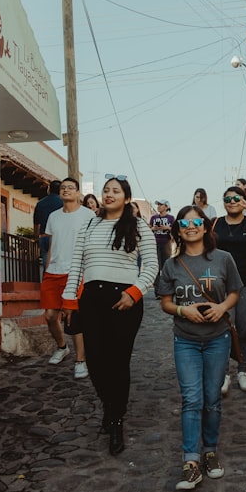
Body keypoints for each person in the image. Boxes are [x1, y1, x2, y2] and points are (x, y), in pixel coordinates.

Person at [61, 174, 158, 455]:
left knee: (117, 362)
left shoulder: (138, 226)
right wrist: (69, 301)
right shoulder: (89, 225)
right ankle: (109, 404)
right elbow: (76, 266)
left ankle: (116, 419)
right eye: (106, 190)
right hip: (91, 299)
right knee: (94, 360)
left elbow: (152, 265)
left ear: (126, 198)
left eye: (116, 191)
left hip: (124, 300)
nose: (109, 194)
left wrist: (134, 293)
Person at [156, 206, 241, 491]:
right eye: (184, 222)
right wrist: (183, 311)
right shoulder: (172, 265)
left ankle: (210, 452)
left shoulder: (223, 259)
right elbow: (165, 302)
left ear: (205, 227)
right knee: (191, 399)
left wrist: (222, 308)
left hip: (218, 338)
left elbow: (234, 292)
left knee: (212, 398)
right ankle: (191, 462)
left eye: (196, 221)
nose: (190, 226)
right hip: (186, 340)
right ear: (178, 229)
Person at [42, 177, 96, 379]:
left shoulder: (88, 215)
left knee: (74, 318)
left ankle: (80, 360)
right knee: (49, 315)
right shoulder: (53, 216)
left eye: (70, 188)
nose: (66, 190)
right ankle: (62, 347)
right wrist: (46, 270)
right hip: (53, 272)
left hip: (76, 272)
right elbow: (51, 246)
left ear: (77, 192)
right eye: (63, 188)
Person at [210, 186, 246, 395]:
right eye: (227, 198)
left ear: (245, 200)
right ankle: (224, 374)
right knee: (223, 328)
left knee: (245, 328)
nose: (231, 201)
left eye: (236, 198)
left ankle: (243, 370)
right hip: (221, 284)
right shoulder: (215, 224)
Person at [34, 180, 63, 271]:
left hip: (44, 237)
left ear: (49, 189)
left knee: (47, 266)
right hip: (59, 238)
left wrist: (36, 238)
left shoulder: (40, 203)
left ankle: (46, 283)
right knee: (60, 267)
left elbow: (36, 223)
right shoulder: (63, 203)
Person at [149, 199, 175, 271]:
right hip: (155, 243)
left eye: (161, 205)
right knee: (156, 264)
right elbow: (148, 229)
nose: (158, 206)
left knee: (166, 263)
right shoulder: (153, 217)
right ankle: (156, 281)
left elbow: (176, 230)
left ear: (166, 207)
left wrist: (167, 228)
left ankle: (165, 280)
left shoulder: (171, 218)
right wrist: (153, 228)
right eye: (158, 205)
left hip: (166, 243)